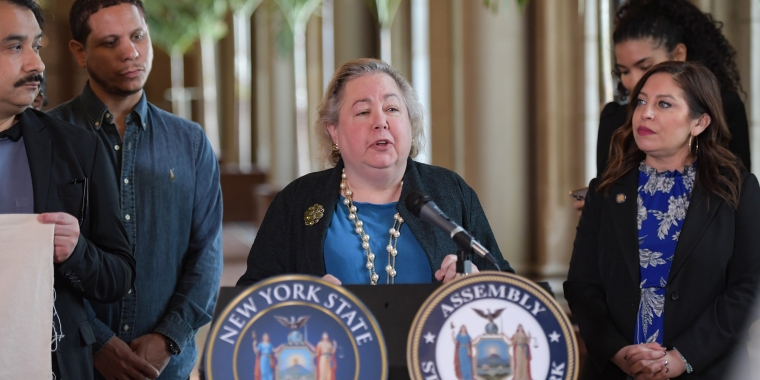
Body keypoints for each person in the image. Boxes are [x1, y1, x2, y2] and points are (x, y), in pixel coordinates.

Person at [47, 0, 223, 378]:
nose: (130, 52)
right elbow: (39, 263)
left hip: (165, 367)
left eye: (138, 36)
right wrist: (95, 340)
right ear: (80, 52)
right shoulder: (47, 138)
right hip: (75, 363)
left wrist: (167, 337)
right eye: (110, 42)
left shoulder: (190, 142)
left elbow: (206, 254)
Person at [236, 58, 512, 287]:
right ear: (334, 130)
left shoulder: (450, 191)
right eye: (363, 112)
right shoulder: (297, 200)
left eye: (392, 109)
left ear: (410, 123)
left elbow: (505, 285)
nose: (381, 122)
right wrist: (303, 300)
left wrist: (477, 283)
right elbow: (251, 296)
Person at [564, 61, 760, 379]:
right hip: (615, 371)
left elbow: (749, 287)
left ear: (699, 122)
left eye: (664, 104)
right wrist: (619, 352)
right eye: (641, 101)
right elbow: (582, 286)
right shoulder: (606, 190)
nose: (646, 113)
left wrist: (683, 357)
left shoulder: (736, 189)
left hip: (708, 369)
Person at [0, 0, 134, 378]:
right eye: (15, 47)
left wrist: (76, 252)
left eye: (36, 46)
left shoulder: (79, 147)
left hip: (54, 362)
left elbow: (119, 275)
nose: (36, 64)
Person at [574, 0, 751, 213]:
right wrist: (600, 208)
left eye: (645, 66)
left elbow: (738, 198)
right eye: (624, 71)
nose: (632, 82)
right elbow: (607, 193)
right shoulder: (614, 118)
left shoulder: (724, 108)